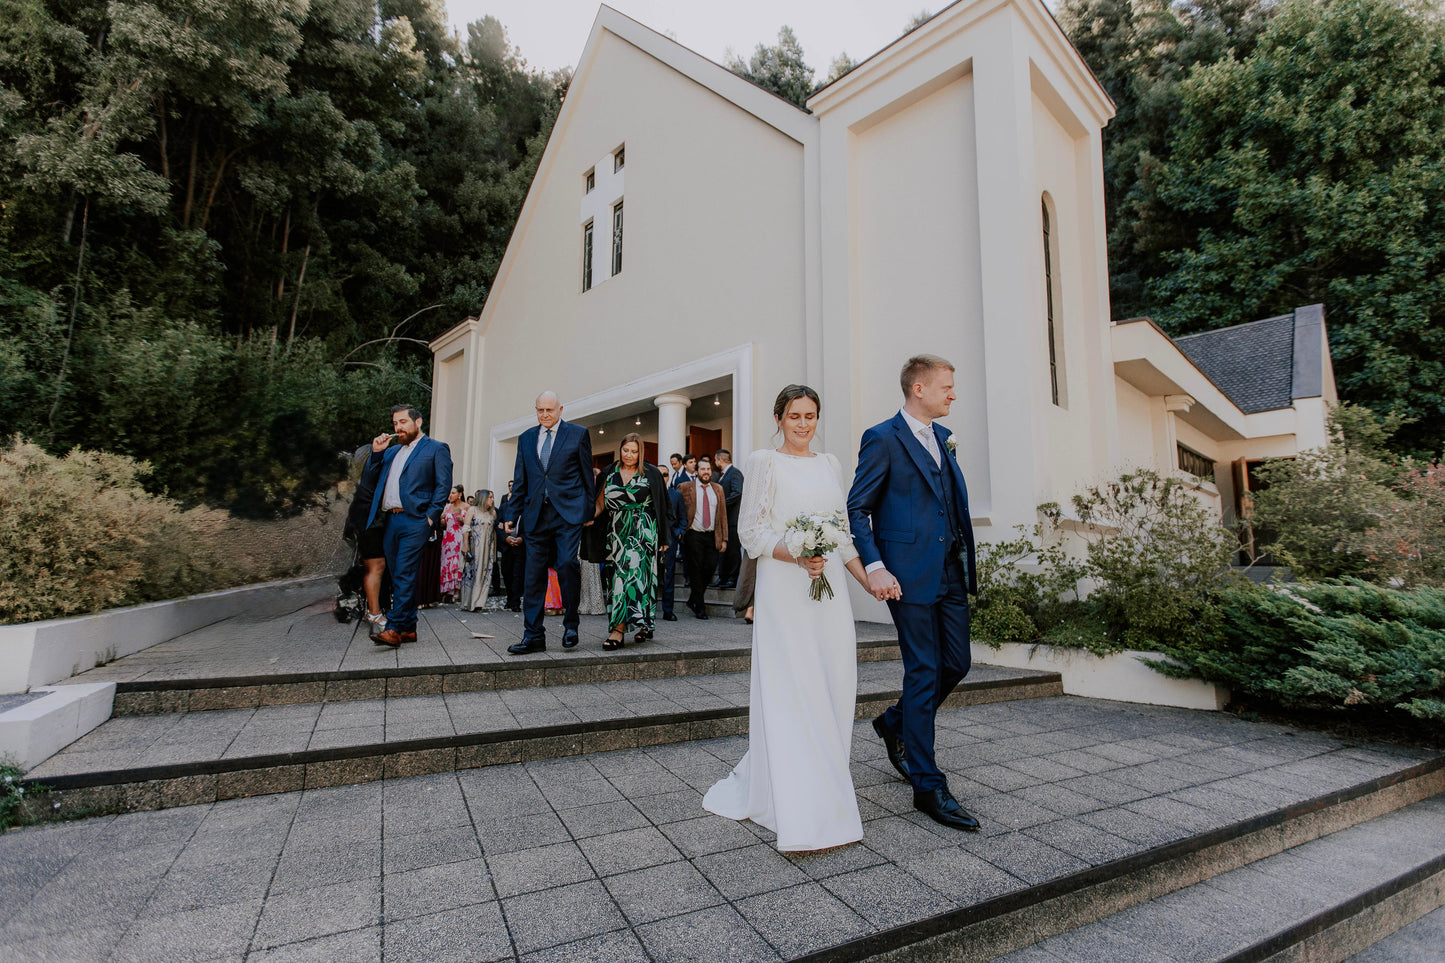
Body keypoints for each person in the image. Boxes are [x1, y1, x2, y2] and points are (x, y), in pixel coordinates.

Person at [703, 384, 873, 852]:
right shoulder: (764, 462)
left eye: (811, 415)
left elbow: (841, 534)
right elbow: (752, 533)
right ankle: (796, 798)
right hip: (785, 585)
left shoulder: (831, 464)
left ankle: (828, 779)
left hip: (830, 589)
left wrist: (866, 579)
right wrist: (796, 556)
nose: (803, 424)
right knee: (793, 683)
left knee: (834, 678)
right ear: (779, 418)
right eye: (795, 415)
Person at [847, 354, 980, 832]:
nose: (953, 394)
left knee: (957, 663)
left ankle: (896, 722)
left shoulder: (944, 439)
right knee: (924, 671)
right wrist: (876, 567)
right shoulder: (882, 438)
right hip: (906, 576)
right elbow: (857, 508)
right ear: (918, 389)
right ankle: (928, 785)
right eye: (947, 386)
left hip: (949, 573)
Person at [507, 391, 595, 654]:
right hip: (535, 516)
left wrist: (588, 512)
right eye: (540, 410)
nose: (545, 415)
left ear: (560, 409)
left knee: (567, 564)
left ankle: (571, 625)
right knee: (532, 577)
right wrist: (511, 514)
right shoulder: (525, 438)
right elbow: (520, 478)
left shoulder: (578, 434)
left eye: (549, 410)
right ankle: (533, 635)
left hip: (566, 514)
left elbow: (586, 476)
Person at [364, 405, 453, 648]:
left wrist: (431, 518)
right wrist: (376, 453)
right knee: (398, 575)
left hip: (416, 520)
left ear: (418, 422)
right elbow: (371, 480)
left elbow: (443, 485)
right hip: (391, 521)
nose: (398, 427)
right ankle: (409, 628)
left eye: (403, 422)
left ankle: (393, 628)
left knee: (403, 572)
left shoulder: (435, 449)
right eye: (395, 423)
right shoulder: (391, 452)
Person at [595, 432, 670, 649]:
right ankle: (619, 627)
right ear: (620, 450)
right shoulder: (609, 473)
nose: (629, 455)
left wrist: (664, 537)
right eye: (626, 450)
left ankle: (637, 626)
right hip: (616, 534)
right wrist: (584, 517)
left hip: (643, 533)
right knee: (618, 579)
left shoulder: (652, 474)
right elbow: (600, 505)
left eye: (634, 451)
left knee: (639, 580)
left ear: (641, 452)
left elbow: (663, 506)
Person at [678, 457, 727, 619]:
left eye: (708, 469)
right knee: (696, 570)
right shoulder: (685, 487)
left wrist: (724, 539)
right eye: (703, 469)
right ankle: (699, 606)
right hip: (693, 534)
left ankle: (693, 599)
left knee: (710, 568)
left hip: (712, 535)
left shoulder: (718, 489)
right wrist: (679, 530)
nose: (706, 472)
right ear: (696, 471)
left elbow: (723, 516)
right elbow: (677, 509)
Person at [459, 489, 497, 611]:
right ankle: (468, 602)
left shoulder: (493, 513)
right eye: (490, 497)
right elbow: (466, 528)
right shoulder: (472, 510)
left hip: (488, 547)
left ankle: (479, 602)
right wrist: (465, 545)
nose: (492, 499)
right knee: (472, 572)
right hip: (475, 546)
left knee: (485, 572)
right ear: (483, 498)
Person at [713, 449, 744, 588]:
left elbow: (737, 493)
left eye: (715, 460)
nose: (715, 463)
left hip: (733, 519)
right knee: (723, 551)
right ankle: (723, 577)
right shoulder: (724, 475)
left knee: (733, 550)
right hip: (724, 521)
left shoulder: (735, 473)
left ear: (720, 460)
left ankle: (733, 578)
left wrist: (721, 504)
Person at [658, 475, 686, 622]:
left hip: (671, 539)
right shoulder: (650, 492)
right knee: (651, 575)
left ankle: (668, 610)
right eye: (660, 474)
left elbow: (683, 516)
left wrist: (679, 532)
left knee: (669, 576)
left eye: (666, 474)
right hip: (652, 539)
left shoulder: (676, 494)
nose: (663, 477)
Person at [440, 485, 468, 602]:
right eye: (450, 493)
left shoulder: (466, 506)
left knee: (457, 564)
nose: (450, 495)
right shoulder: (447, 507)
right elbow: (443, 524)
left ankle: (457, 591)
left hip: (459, 538)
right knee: (446, 564)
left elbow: (469, 523)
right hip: (448, 539)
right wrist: (441, 518)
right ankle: (447, 590)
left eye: (453, 493)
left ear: (460, 494)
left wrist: (463, 519)